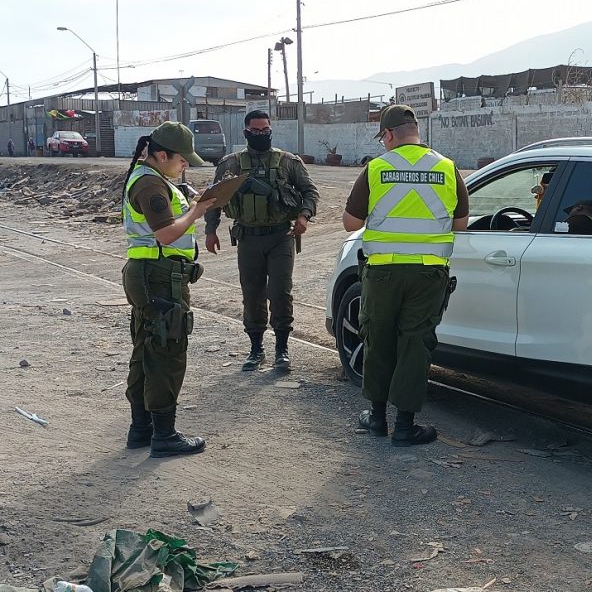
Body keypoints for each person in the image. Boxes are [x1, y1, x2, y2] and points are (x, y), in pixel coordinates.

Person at [343, 104, 470, 446]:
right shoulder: (447, 168)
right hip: (428, 274)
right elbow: (460, 224)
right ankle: (405, 426)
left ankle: (376, 418)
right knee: (415, 343)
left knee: (378, 339)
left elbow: (351, 224)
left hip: (382, 273)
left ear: (387, 135)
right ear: (416, 131)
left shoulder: (376, 168)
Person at [121, 121, 217, 458]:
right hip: (158, 274)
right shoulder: (149, 185)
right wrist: (197, 211)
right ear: (161, 155)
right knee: (166, 348)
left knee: (148, 347)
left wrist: (190, 201)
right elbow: (165, 235)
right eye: (182, 159)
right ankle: (163, 434)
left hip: (151, 273)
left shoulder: (155, 180)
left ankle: (141, 428)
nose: (185, 164)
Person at [204, 110, 320, 371]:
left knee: (280, 292)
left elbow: (310, 191)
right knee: (252, 293)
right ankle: (256, 349)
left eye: (265, 130)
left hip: (281, 236)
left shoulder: (288, 162)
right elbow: (214, 199)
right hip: (248, 237)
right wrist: (210, 230)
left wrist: (304, 216)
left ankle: (282, 349)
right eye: (255, 131)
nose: (260, 135)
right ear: (246, 132)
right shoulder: (231, 164)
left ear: (271, 130)